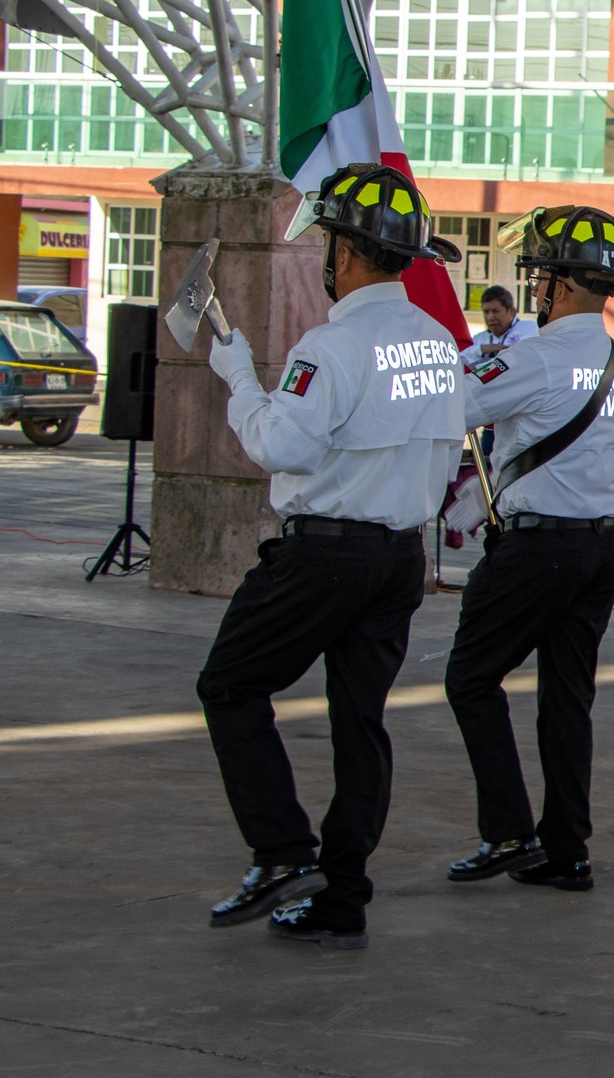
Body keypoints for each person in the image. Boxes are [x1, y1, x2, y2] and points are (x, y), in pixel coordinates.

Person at [196, 163, 465, 950]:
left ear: (345, 253)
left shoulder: (334, 341)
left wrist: (241, 378)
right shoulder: (437, 343)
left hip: (326, 554)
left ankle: (282, 852)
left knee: (231, 682)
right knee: (360, 722)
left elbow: (280, 443)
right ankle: (342, 893)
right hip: (396, 559)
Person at [441, 206, 614, 893]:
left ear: (559, 287)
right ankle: (566, 848)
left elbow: (450, 407)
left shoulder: (533, 357)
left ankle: (508, 828)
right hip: (597, 547)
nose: (533, 288)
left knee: (471, 676)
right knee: (568, 699)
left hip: (539, 549)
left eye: (538, 277)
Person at [459, 285, 536, 366]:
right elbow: (459, 361)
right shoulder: (479, 339)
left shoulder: (528, 328)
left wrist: (476, 369)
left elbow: (516, 359)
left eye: (495, 311)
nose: (490, 317)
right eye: (486, 312)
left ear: (511, 311)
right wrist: (480, 350)